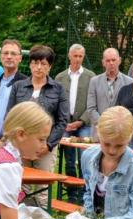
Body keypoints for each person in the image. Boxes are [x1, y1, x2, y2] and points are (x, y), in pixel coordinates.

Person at [7, 44, 69, 208]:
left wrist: (48, 145)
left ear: (50, 66)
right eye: (35, 63)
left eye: (43, 63)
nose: (39, 67)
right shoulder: (18, 86)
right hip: (21, 145)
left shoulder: (58, 89)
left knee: (42, 189)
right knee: (20, 187)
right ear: (30, 64)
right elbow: (11, 115)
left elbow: (62, 121)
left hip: (45, 147)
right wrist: (18, 143)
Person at [55, 43, 95, 203]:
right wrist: (63, 122)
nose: (77, 59)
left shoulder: (91, 77)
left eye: (80, 56)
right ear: (69, 56)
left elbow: (92, 103)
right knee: (69, 160)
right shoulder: (60, 77)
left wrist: (81, 121)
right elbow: (57, 102)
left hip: (84, 124)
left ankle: (84, 195)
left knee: (85, 159)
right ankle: (72, 194)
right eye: (75, 56)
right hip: (65, 124)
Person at [85, 48, 133, 142]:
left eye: (113, 60)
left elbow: (128, 109)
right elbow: (91, 109)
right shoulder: (94, 81)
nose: (111, 63)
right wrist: (106, 124)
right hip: (99, 133)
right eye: (108, 60)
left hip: (120, 133)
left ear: (119, 60)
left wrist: (116, 125)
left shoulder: (129, 82)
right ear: (103, 62)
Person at [0, 39, 26, 146]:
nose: (9, 56)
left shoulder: (26, 84)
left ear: (20, 58)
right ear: (0, 56)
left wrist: (7, 139)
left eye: (13, 53)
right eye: (5, 53)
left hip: (13, 144)